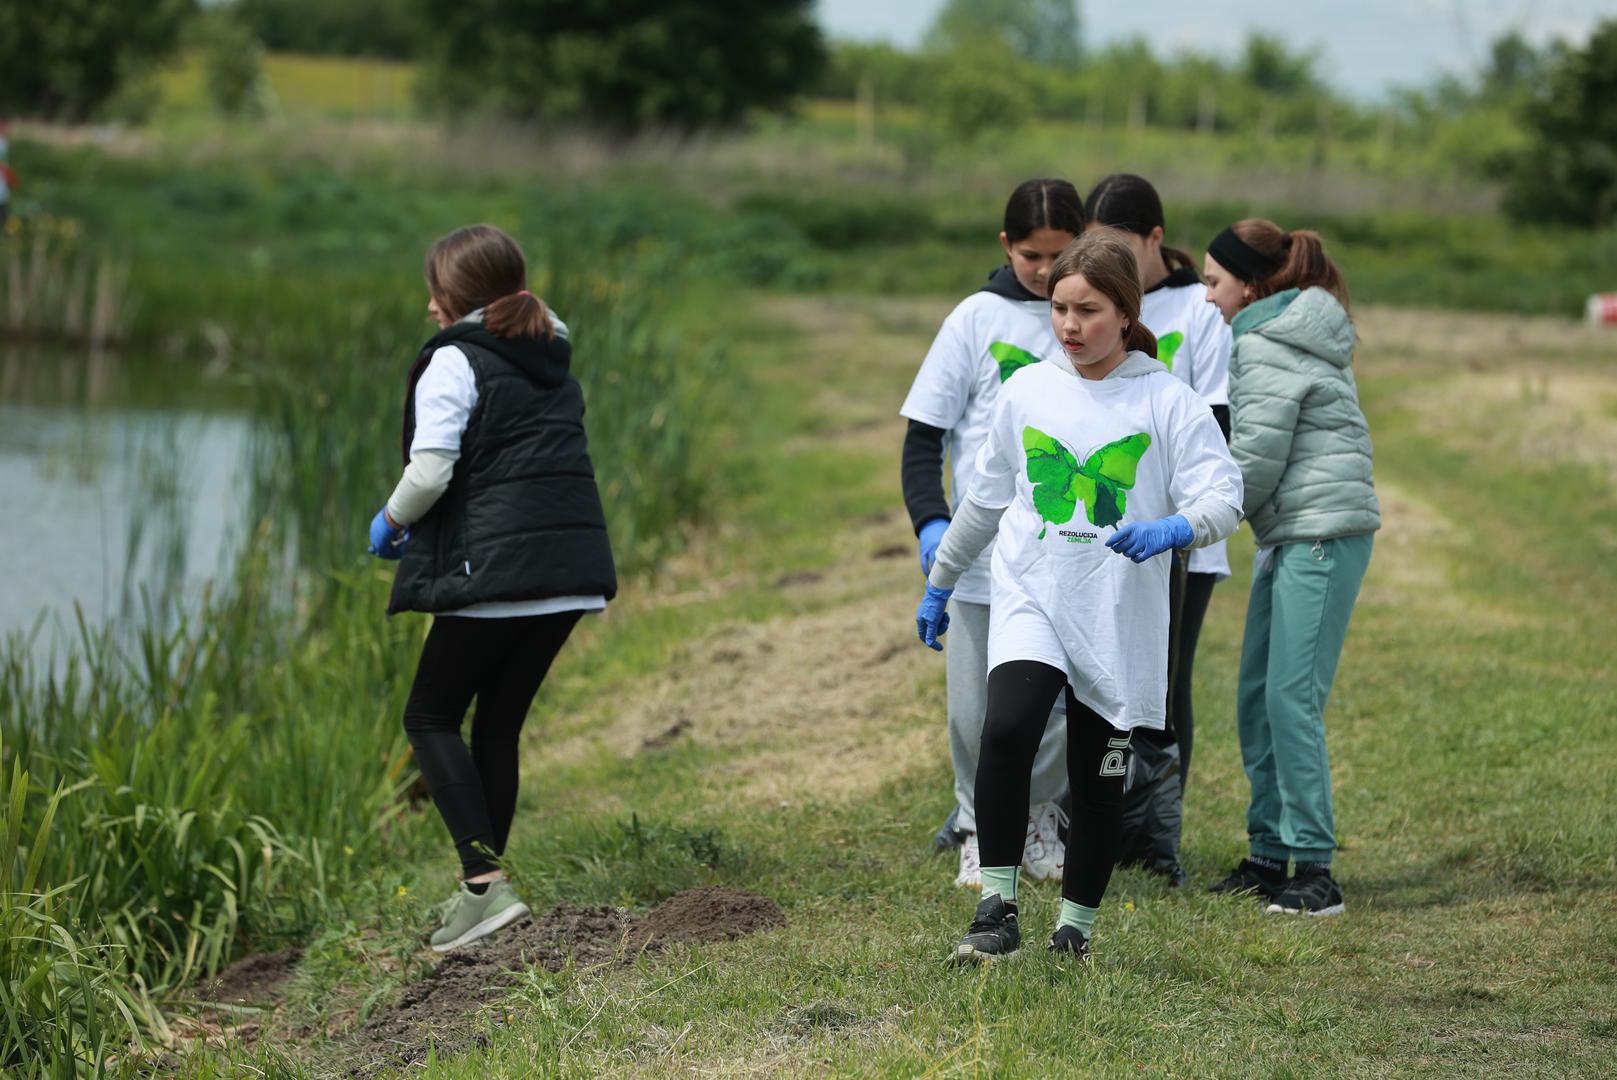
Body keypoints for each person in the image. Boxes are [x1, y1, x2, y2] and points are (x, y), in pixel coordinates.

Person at [916, 231, 1243, 963]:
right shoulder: (1027, 388)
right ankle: (995, 909)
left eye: (1087, 310)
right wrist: (941, 584)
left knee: (1099, 776)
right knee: (1004, 731)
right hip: (1032, 595)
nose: (1068, 325)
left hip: (1116, 616)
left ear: (1124, 313)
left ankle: (1075, 932)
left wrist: (1175, 527)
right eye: (1059, 308)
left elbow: (1225, 496)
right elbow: (984, 498)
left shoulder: (1167, 401)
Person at [369, 224, 618, 951]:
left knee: (428, 718)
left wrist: (388, 521)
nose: (428, 308)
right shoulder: (549, 354)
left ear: (460, 298)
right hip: (568, 575)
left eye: (436, 292)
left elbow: (430, 472)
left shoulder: (457, 360)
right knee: (497, 726)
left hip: (497, 573)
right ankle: (485, 891)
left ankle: (484, 885)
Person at [899, 179, 1086, 891]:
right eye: (1032, 256)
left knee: (1052, 706)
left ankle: (1038, 818)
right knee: (974, 709)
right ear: (1006, 247)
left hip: (1062, 548)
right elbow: (923, 439)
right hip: (980, 550)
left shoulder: (1089, 317)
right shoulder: (975, 321)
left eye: (1060, 255)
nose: (1044, 273)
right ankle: (978, 826)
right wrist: (931, 522)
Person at [1201, 219, 1379, 916]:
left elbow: (1255, 461)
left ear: (1249, 284)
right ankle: (1268, 853)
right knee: (1256, 695)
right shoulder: (1270, 332)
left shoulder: (1268, 341)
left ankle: (1313, 868)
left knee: (1288, 698)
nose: (1207, 297)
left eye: (1214, 282)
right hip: (1292, 533)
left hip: (1320, 534)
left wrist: (1192, 526)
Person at [1084, 173, 1234, 885]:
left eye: (1120, 249)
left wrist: (1170, 517)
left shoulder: (1197, 310)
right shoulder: (1101, 305)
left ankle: (1154, 837)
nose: (1108, 263)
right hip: (1102, 533)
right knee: (1096, 684)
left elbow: (1216, 422)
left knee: (1163, 687)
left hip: (1177, 540)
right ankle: (1101, 825)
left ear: (1153, 238)